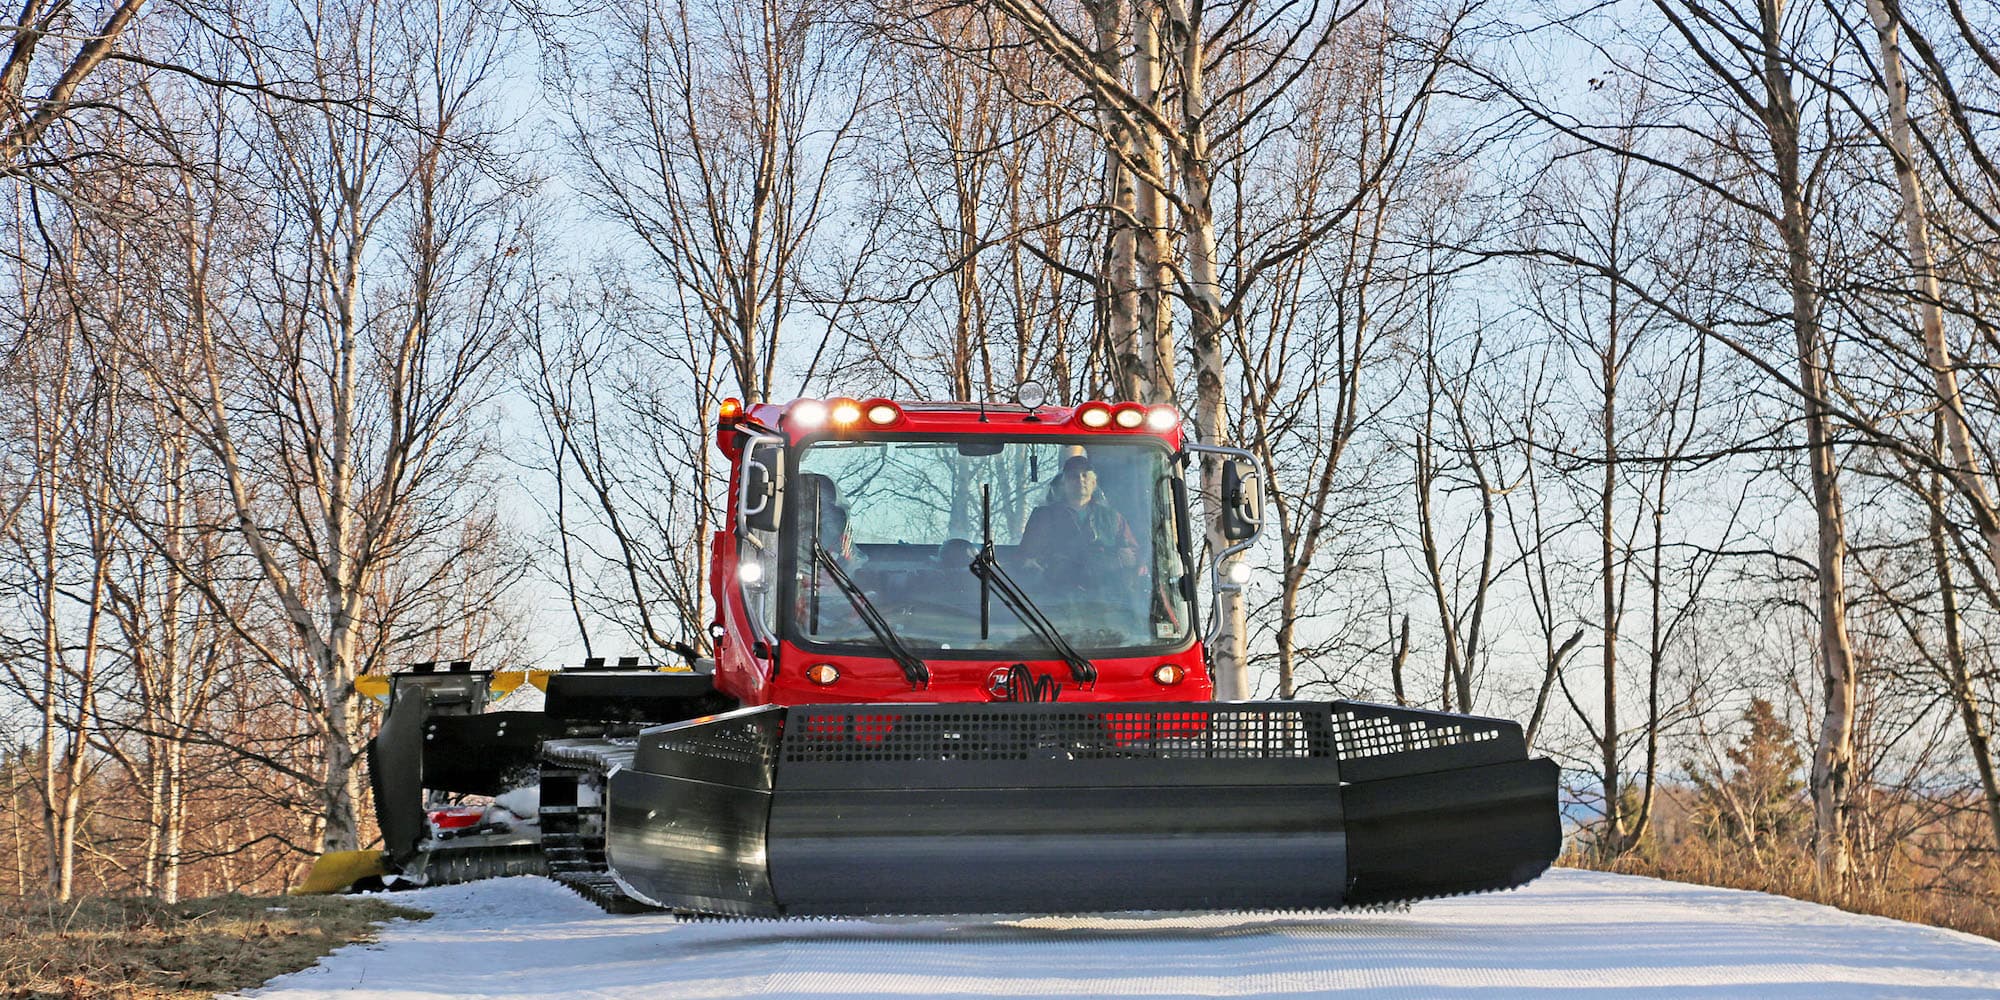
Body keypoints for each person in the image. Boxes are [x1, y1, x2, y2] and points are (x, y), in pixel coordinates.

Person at [1020, 455, 1140, 584]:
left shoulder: (1113, 518)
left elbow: (1134, 555)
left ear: (1094, 483)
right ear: (1063, 484)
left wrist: (1125, 559)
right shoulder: (1043, 517)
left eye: (1085, 475)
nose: (1080, 479)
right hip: (1052, 596)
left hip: (1105, 597)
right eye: (1073, 476)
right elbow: (1025, 557)